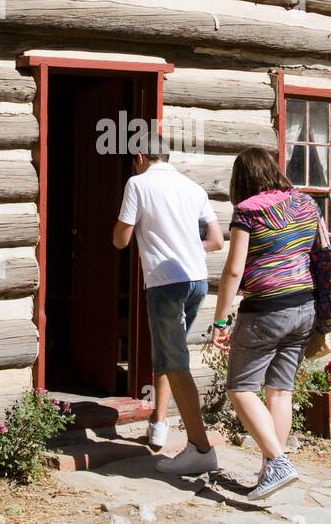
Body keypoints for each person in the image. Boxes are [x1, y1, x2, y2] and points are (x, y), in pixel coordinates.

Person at [211, 147, 319, 499]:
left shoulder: (247, 211)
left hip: (265, 309)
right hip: (304, 306)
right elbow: (315, 252)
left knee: (240, 388)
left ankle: (277, 461)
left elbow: (233, 269)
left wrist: (221, 320)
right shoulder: (306, 204)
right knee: (280, 390)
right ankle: (270, 470)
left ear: (241, 179)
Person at [113, 148, 224, 475]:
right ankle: (159, 423)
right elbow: (216, 240)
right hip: (197, 281)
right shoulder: (194, 188)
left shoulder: (137, 184)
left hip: (165, 283)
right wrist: (187, 245)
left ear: (140, 155)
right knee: (169, 352)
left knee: (175, 362)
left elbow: (121, 238)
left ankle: (200, 447)